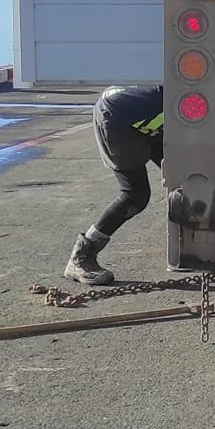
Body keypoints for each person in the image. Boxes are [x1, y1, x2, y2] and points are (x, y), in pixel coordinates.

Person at [64, 85, 165, 285]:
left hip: (149, 121)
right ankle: (81, 257)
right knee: (135, 196)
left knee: (188, 178)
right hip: (117, 118)